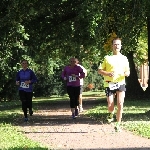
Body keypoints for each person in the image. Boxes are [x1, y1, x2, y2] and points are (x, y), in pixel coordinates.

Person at [98, 38, 130, 131]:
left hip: (120, 83)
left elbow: (127, 71)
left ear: (121, 46)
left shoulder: (124, 58)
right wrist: (107, 73)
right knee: (110, 104)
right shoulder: (107, 58)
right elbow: (100, 70)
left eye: (118, 44)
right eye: (115, 44)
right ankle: (111, 113)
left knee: (120, 103)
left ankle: (118, 124)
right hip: (109, 84)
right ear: (112, 46)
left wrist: (127, 73)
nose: (117, 46)